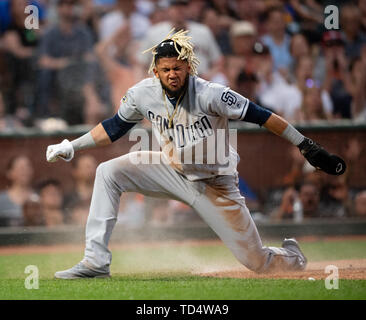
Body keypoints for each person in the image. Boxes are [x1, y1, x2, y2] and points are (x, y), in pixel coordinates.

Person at [46, 29, 346, 279]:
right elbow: (113, 127)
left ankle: (292, 255)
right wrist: (72, 146)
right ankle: (95, 261)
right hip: (171, 169)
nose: (172, 74)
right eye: (165, 69)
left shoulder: (211, 93)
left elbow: (263, 116)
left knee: (258, 263)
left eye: (177, 67)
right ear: (155, 70)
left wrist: (304, 144)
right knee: (107, 172)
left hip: (215, 184)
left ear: (188, 66)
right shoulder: (142, 93)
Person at [0, 155, 35, 227]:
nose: (25, 171)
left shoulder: (39, 198)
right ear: (9, 173)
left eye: (28, 167)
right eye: (21, 168)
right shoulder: (1, 200)